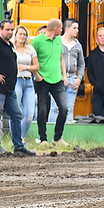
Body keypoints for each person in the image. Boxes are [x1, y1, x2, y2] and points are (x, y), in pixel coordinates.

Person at [0, 19, 36, 156]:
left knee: (17, 115)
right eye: (7, 30)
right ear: (1, 30)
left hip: (9, 88)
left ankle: (18, 145)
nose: (10, 32)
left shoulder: (9, 45)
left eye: (11, 30)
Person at [31, 18, 70, 148]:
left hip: (57, 79)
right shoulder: (37, 41)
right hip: (42, 80)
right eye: (61, 28)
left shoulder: (59, 40)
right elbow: (32, 60)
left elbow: (60, 59)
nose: (62, 30)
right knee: (42, 109)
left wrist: (64, 75)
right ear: (56, 28)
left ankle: (57, 138)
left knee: (64, 108)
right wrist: (37, 75)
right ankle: (43, 139)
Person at [49, 18, 85, 122]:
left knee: (69, 108)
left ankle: (66, 135)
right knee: (55, 107)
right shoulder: (56, 42)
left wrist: (79, 78)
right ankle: (52, 132)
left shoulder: (78, 45)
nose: (77, 30)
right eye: (74, 28)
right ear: (67, 29)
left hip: (72, 80)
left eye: (77, 28)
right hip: (58, 79)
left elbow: (82, 64)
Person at [13, 25, 39, 143]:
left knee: (29, 114)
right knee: (16, 111)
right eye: (20, 34)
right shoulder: (11, 49)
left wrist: (26, 67)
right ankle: (17, 138)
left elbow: (36, 66)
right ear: (16, 35)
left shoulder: (30, 49)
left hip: (28, 81)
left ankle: (22, 136)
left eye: (24, 34)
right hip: (16, 80)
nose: (22, 36)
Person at [87, 27, 104, 117]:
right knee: (96, 116)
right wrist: (95, 83)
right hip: (98, 92)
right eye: (100, 36)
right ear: (96, 38)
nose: (102, 38)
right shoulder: (93, 54)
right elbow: (89, 71)